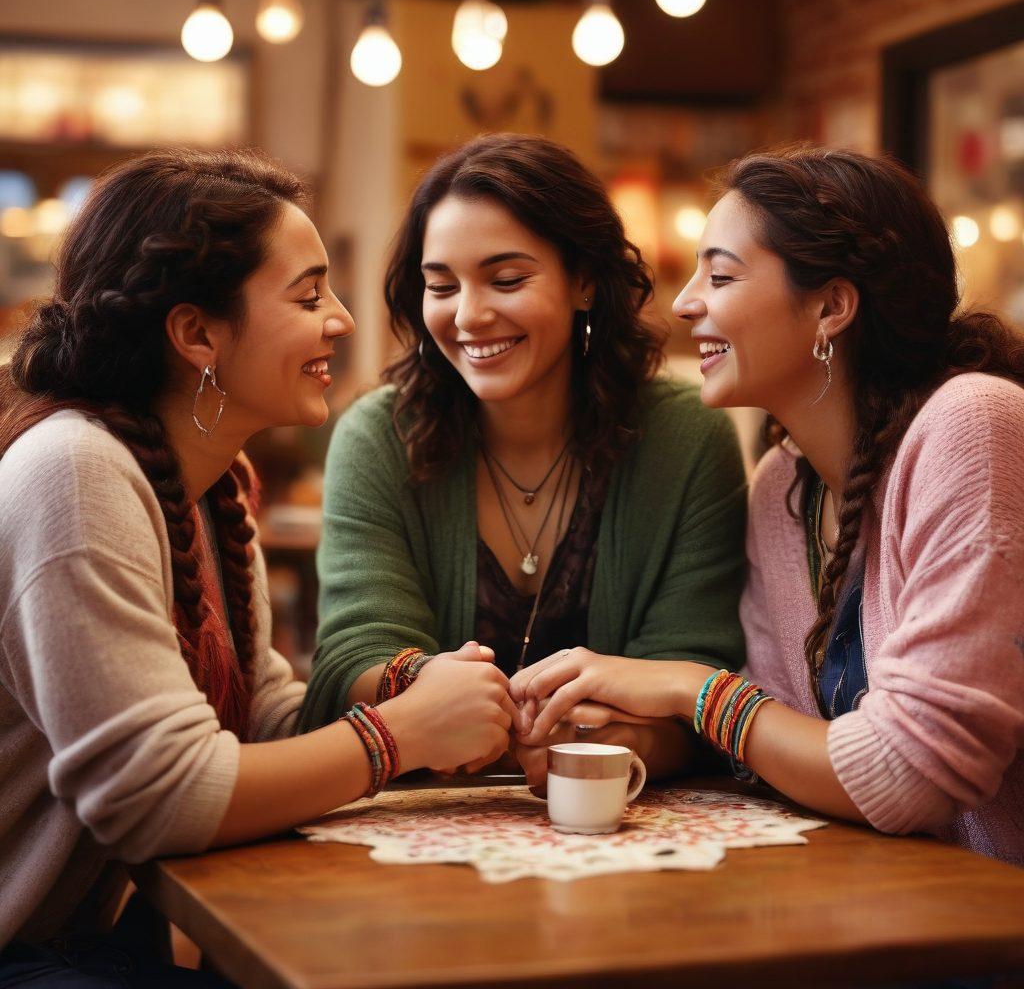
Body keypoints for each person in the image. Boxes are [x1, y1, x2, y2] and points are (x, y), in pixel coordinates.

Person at [0, 148, 513, 986]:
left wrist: (420, 697)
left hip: (86, 943)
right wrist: (399, 735)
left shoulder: (211, 482)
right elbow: (159, 797)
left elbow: (262, 714)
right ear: (197, 333)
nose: (342, 321)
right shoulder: (75, 472)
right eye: (309, 296)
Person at [510, 144, 1024, 865]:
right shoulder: (784, 487)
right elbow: (777, 754)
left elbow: (912, 777)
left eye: (720, 275)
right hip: (879, 904)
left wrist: (694, 690)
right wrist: (638, 731)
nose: (686, 301)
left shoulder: (973, 425)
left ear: (831, 306)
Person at [299, 133, 747, 788]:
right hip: (413, 826)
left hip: (625, 833)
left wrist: (598, 740)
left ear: (584, 282)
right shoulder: (379, 436)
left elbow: (697, 680)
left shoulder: (684, 436)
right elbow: (353, 655)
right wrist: (443, 699)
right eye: (441, 286)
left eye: (506, 279)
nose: (470, 315)